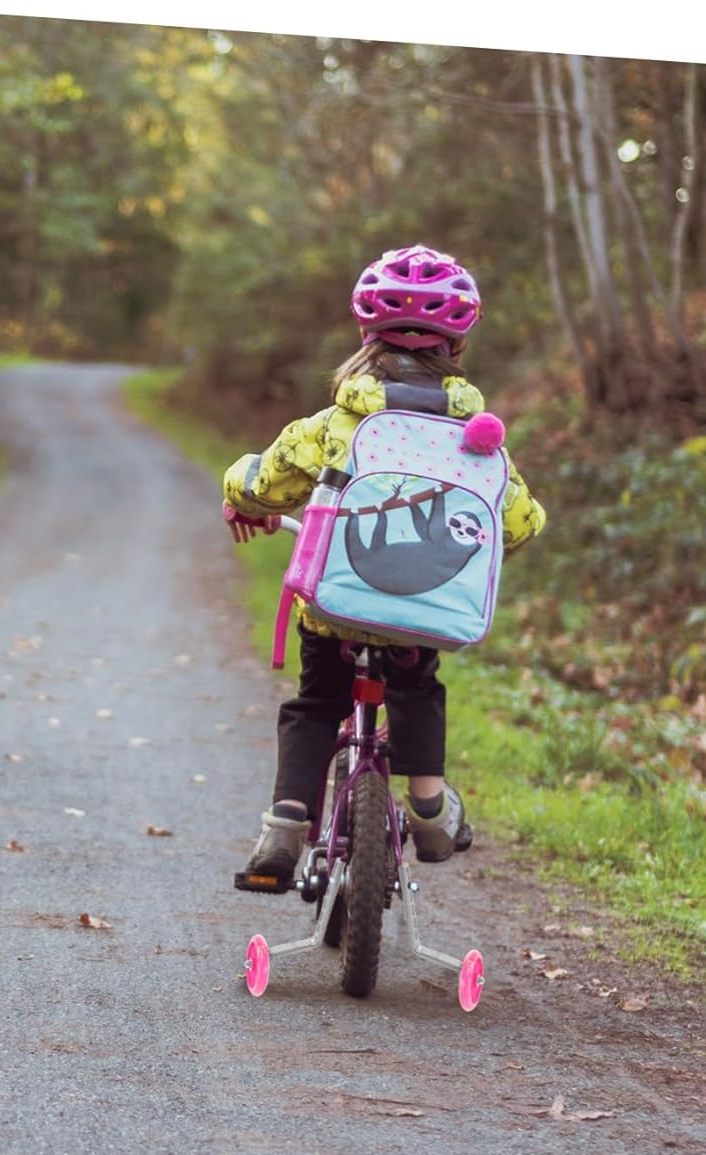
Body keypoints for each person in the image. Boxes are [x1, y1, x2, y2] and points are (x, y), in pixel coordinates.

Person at [222, 243, 546, 891]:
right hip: (423, 613)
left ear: (366, 336)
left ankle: (285, 826)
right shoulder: (477, 440)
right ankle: (429, 809)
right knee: (417, 688)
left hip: (336, 607)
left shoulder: (338, 423)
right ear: (458, 345)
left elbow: (267, 480)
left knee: (317, 703)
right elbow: (519, 523)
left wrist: (241, 496)